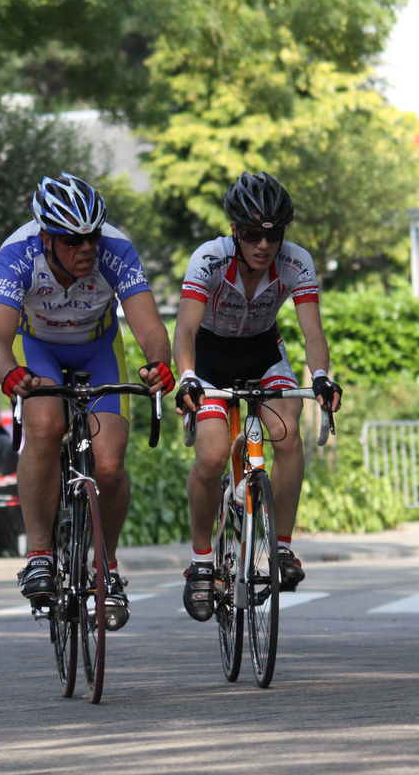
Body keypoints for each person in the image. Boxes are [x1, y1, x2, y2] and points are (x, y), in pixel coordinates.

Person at [0, 173, 174, 631]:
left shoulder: (116, 250)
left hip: (97, 349)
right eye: (72, 241)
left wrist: (158, 363)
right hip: (38, 349)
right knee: (45, 426)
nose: (86, 248)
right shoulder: (18, 253)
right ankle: (39, 554)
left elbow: (150, 327)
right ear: (46, 238)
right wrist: (10, 374)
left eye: (92, 237)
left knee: (108, 463)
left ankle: (106, 565)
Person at [173, 171, 342, 622]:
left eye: (273, 234)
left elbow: (312, 333)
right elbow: (184, 330)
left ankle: (281, 548)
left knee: (287, 434)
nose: (263, 245)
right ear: (234, 230)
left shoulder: (296, 262)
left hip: (262, 353)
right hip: (208, 358)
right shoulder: (209, 259)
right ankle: (202, 562)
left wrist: (321, 376)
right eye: (251, 234)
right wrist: (186, 376)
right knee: (212, 456)